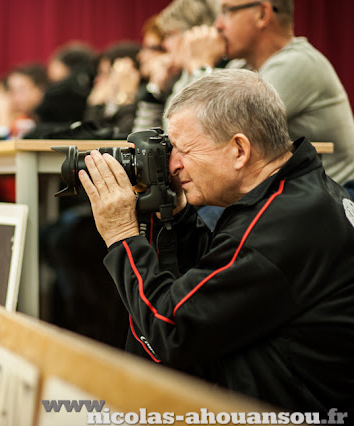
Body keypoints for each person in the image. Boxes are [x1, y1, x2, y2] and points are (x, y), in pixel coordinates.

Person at [77, 69, 354, 413]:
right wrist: (179, 216)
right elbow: (218, 278)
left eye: (184, 149)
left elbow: (169, 330)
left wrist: (121, 235)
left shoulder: (276, 229)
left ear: (239, 150)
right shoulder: (297, 192)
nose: (172, 165)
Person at [176, 0, 354, 188]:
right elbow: (176, 131)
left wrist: (201, 67)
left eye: (227, 11)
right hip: (295, 190)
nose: (218, 25)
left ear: (262, 14)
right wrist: (192, 67)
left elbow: (209, 132)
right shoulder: (241, 67)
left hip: (336, 194)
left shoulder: (298, 63)